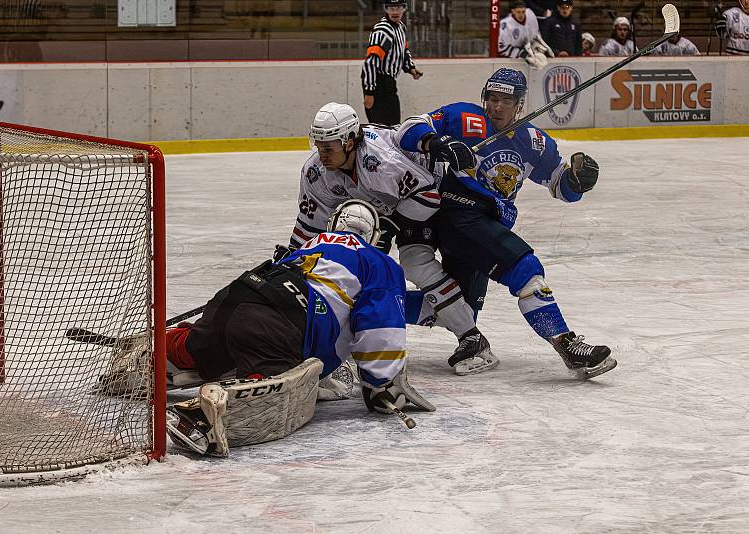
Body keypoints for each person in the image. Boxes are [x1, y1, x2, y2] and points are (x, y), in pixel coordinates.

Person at [98, 200, 434, 456]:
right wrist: (380, 383)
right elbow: (380, 326)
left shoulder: (308, 247)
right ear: (373, 237)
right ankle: (204, 412)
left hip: (238, 294)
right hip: (285, 320)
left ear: (332, 225)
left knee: (204, 345)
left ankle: (153, 353)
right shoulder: (379, 262)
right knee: (281, 382)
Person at [395, 68, 618, 379]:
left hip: (482, 224)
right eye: (492, 98)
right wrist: (438, 141)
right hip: (458, 214)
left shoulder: (534, 142)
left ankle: (371, 306)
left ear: (520, 104)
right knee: (526, 270)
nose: (496, 107)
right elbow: (408, 129)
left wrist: (577, 182)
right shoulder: (465, 118)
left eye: (505, 101)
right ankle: (569, 347)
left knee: (456, 310)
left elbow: (560, 185)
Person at [279, 102, 499, 375]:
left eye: (329, 148)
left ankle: (471, 336)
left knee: (415, 263)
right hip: (387, 207)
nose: (322, 155)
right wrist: (291, 260)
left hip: (428, 197)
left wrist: (391, 222)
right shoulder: (315, 173)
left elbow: (427, 197)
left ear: (349, 142)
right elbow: (310, 225)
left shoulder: (380, 160)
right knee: (353, 271)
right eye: (319, 146)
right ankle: (444, 319)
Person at [361, 0, 423, 126]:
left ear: (404, 9)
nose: (395, 12)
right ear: (386, 9)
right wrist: (369, 92)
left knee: (393, 123)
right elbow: (371, 62)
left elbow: (403, 52)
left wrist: (411, 68)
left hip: (388, 82)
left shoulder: (401, 28)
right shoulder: (383, 30)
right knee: (383, 125)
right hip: (378, 82)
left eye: (398, 8)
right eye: (391, 8)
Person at [499, 0, 554, 69]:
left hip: (526, 51)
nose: (521, 15)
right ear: (513, 11)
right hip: (509, 62)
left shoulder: (530, 15)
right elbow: (501, 48)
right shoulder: (506, 25)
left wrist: (541, 47)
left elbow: (535, 34)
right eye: (518, 12)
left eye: (523, 12)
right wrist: (523, 54)